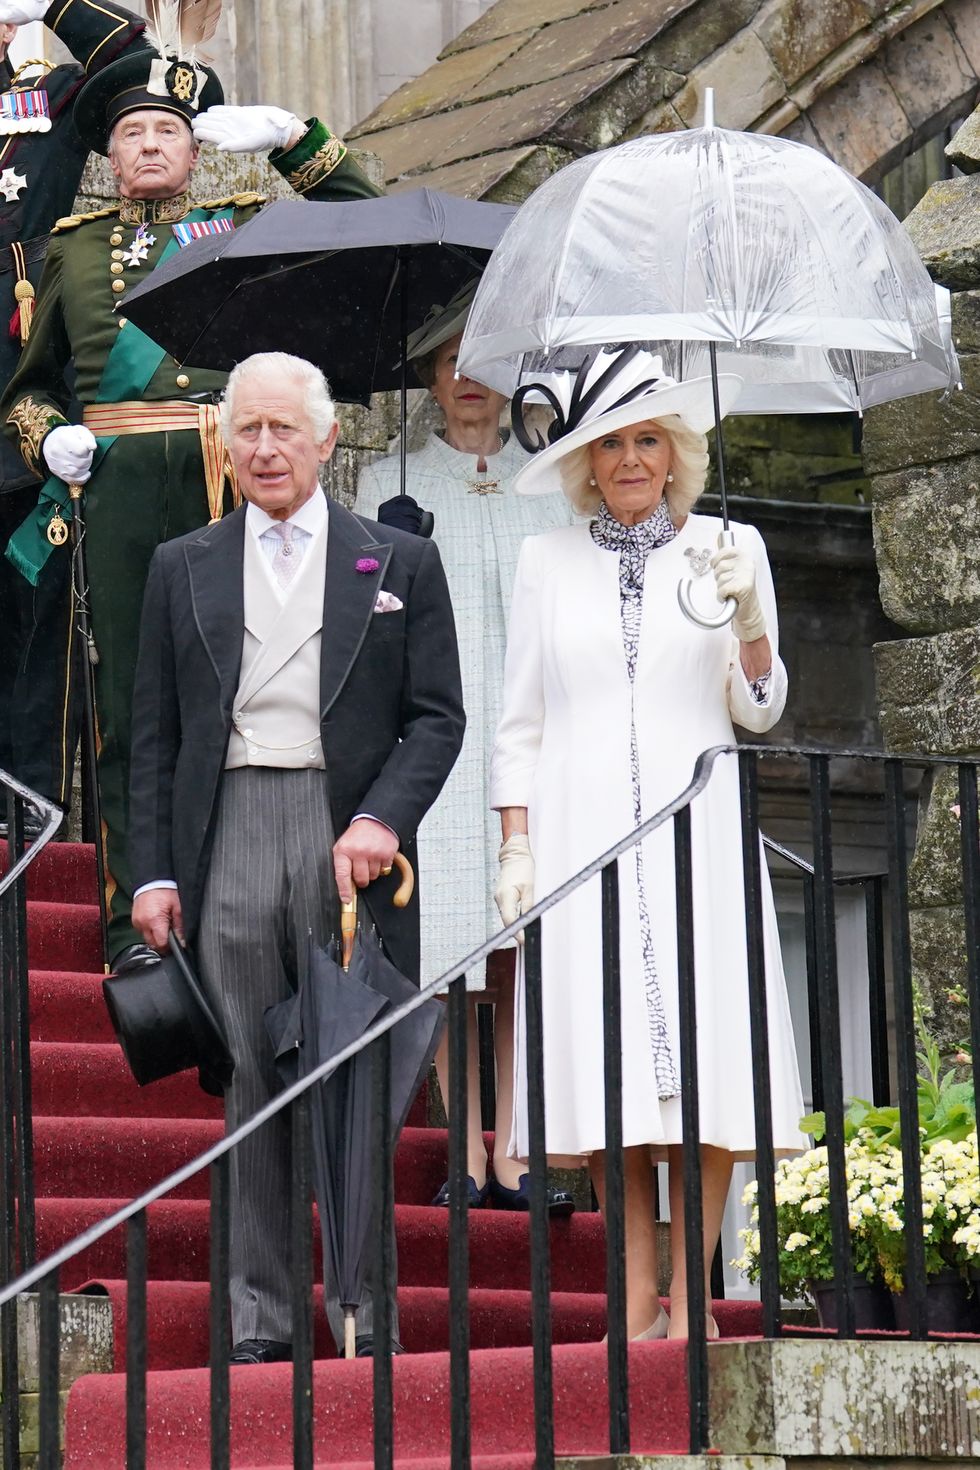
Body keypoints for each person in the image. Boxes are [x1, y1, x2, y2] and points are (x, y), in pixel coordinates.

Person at [1, 36, 380, 971]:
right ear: (110, 155)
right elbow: (28, 387)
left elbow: (368, 223)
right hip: (119, 490)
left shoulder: (246, 223)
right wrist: (48, 436)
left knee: (251, 700)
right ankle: (137, 925)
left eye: (167, 129)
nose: (150, 146)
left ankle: (240, 908)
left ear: (196, 145)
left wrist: (295, 141)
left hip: (233, 482)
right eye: (131, 133)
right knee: (129, 709)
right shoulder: (71, 251)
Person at [128, 351, 465, 1364]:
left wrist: (380, 822)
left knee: (350, 1079)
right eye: (248, 430)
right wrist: (149, 872)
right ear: (224, 445)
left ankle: (362, 1317)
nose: (265, 448)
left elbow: (436, 718)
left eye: (284, 429)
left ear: (326, 440)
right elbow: (150, 735)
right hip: (226, 829)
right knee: (246, 1081)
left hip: (342, 839)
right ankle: (259, 1325)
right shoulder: (180, 562)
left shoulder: (394, 562)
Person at [490, 346, 805, 1340]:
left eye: (646, 441)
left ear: (674, 454)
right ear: (586, 461)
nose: (629, 460)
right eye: (611, 444)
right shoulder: (544, 560)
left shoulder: (728, 545)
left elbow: (757, 708)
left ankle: (694, 1299)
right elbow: (518, 719)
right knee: (606, 1069)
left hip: (694, 824)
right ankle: (631, 1296)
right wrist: (513, 844)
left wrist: (749, 618)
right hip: (581, 829)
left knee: (705, 1062)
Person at [355, 284, 574, 1213]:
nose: (467, 380)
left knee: (527, 942)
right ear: (428, 380)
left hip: (535, 734)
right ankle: (467, 1146)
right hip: (440, 738)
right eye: (448, 364)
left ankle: (521, 1143)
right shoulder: (386, 486)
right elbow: (363, 627)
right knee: (451, 947)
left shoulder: (556, 478)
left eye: (482, 362)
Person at [0, 0, 147, 827]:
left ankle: (33, 817)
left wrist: (55, 3)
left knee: (38, 614)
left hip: (21, 385)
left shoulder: (45, 95)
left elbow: (140, 67)